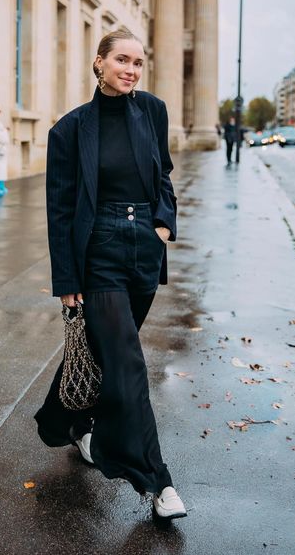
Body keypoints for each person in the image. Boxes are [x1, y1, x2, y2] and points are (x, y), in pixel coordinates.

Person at [34, 29, 187, 519]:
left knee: (103, 349)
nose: (131, 69)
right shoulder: (71, 129)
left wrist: (164, 223)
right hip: (97, 248)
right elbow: (59, 208)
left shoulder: (153, 111)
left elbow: (162, 172)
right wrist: (67, 280)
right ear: (98, 63)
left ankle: (69, 423)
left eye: (138, 63)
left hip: (143, 244)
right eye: (122, 60)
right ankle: (154, 480)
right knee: (126, 361)